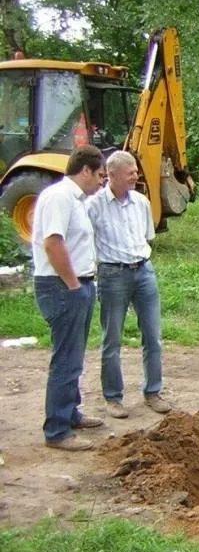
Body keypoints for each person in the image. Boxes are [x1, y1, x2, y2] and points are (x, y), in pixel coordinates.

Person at [87, 151, 172, 418]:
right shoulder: (94, 205)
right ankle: (113, 398)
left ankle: (153, 392)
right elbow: (86, 241)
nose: (136, 175)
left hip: (143, 271)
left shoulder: (141, 202)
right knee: (112, 338)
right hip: (113, 275)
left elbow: (147, 237)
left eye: (136, 171)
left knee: (153, 335)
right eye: (130, 172)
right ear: (111, 175)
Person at [32, 145, 105, 451]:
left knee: (74, 357)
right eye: (100, 175)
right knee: (66, 359)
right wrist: (74, 284)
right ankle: (58, 430)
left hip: (78, 285)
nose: (102, 181)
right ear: (85, 170)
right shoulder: (60, 197)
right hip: (62, 288)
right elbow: (52, 243)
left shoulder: (76, 200)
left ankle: (70, 413)